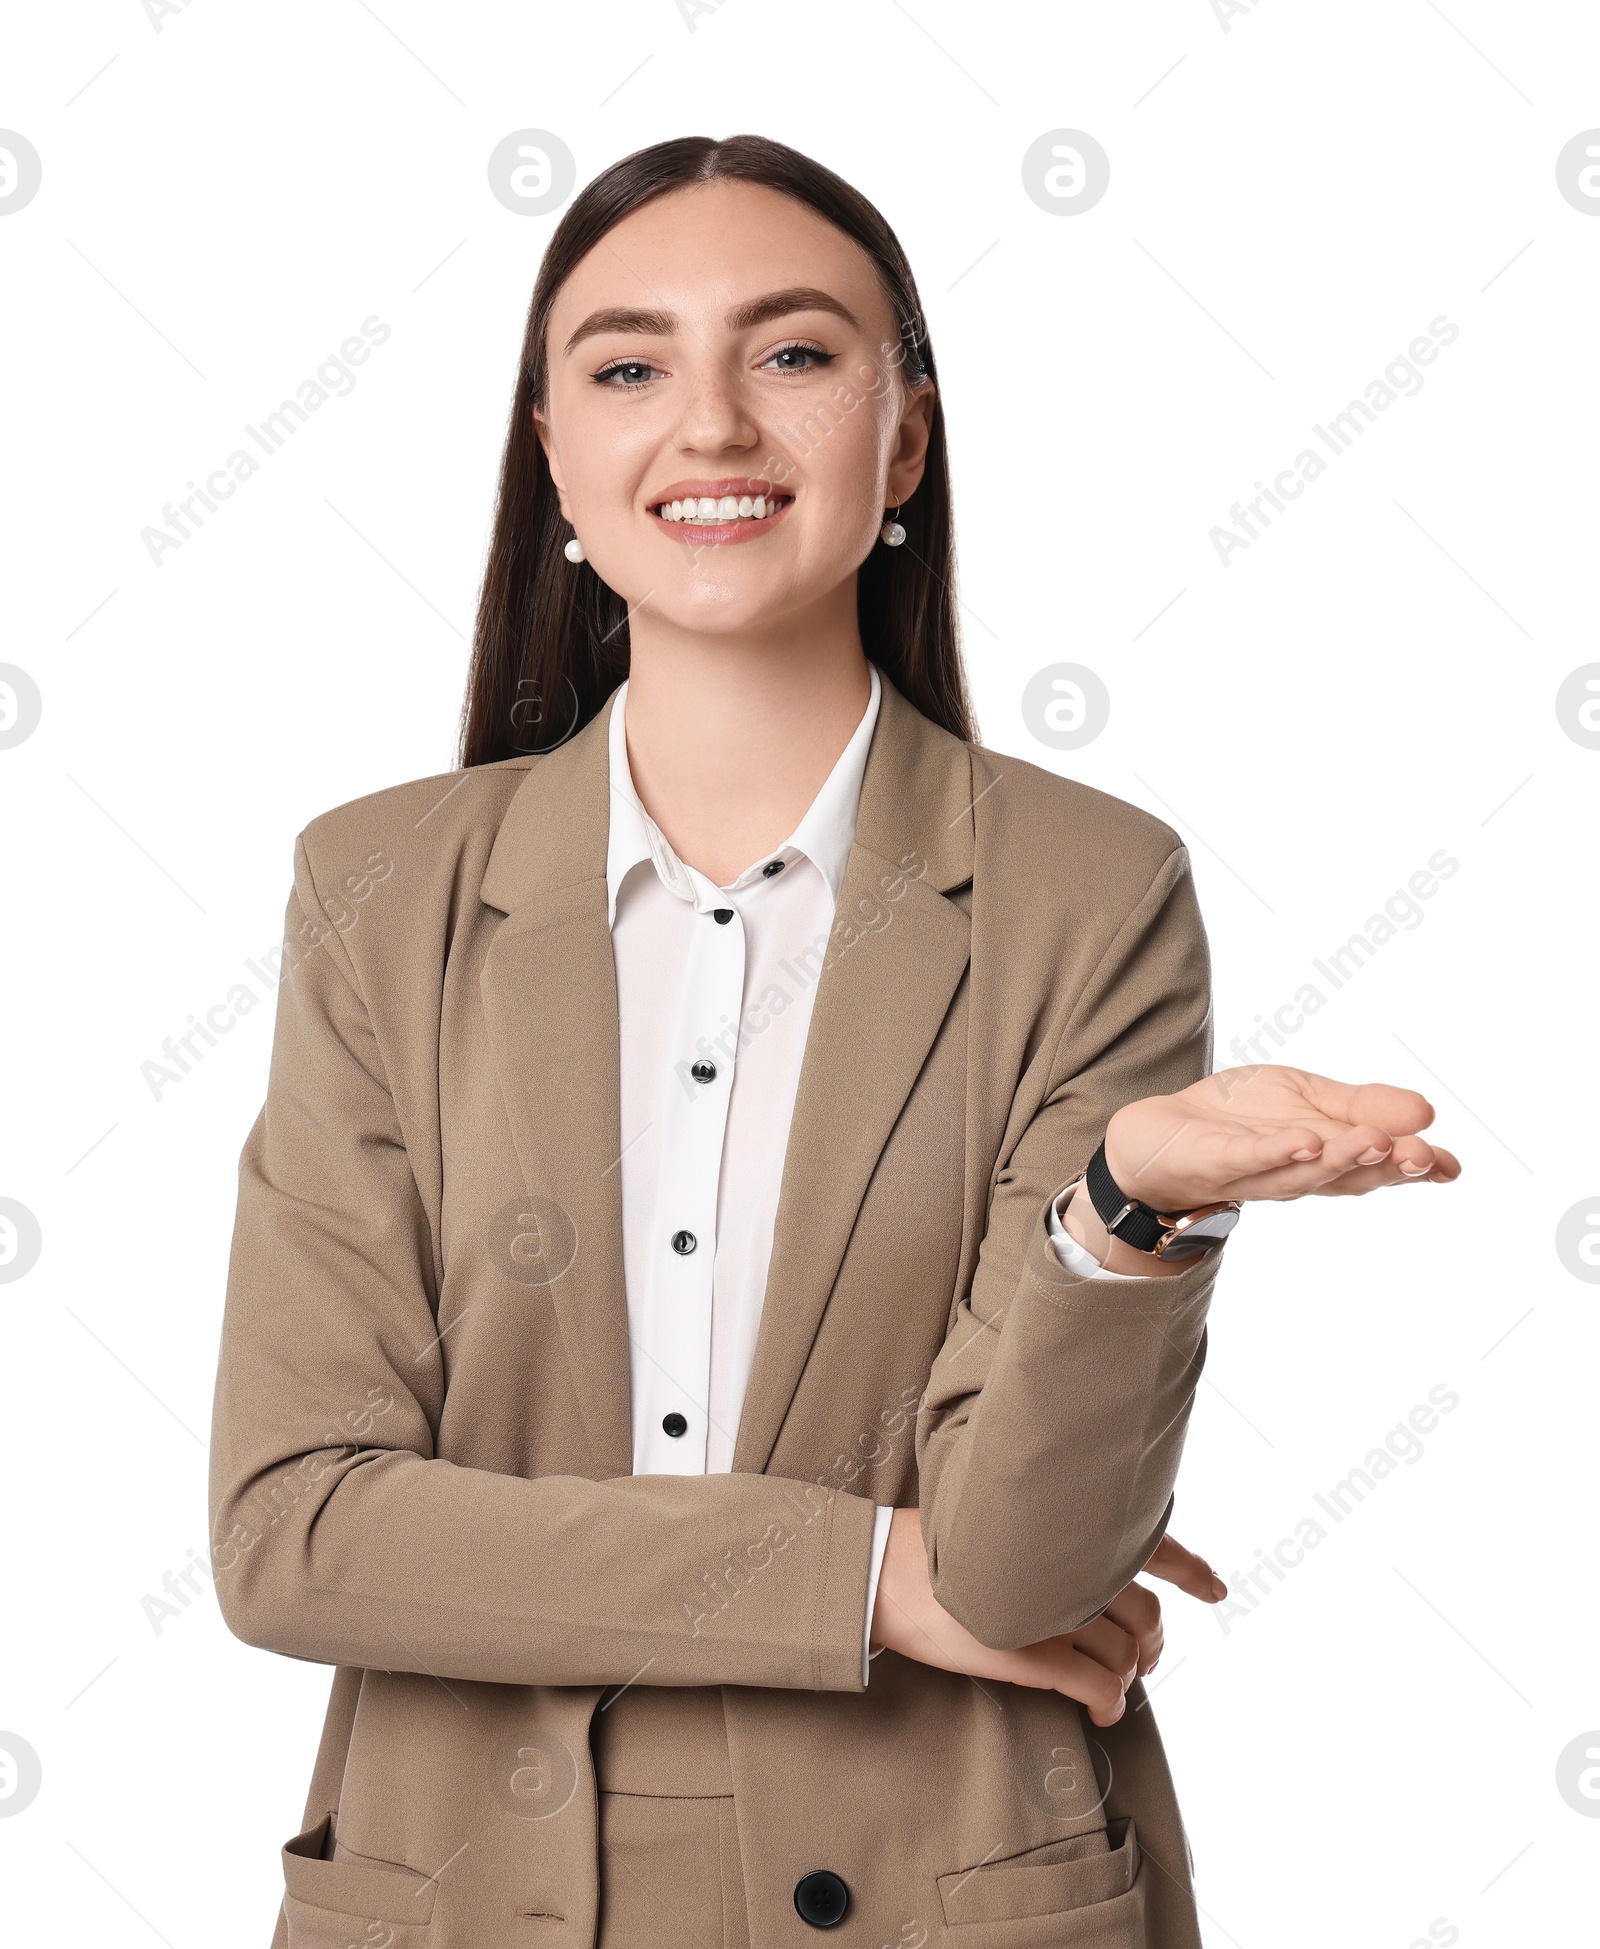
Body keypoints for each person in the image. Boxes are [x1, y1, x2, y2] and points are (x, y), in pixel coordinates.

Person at [209, 134, 1459, 1949]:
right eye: (629, 367)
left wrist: (1127, 1211)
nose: (710, 425)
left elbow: (1025, 1571)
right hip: (460, 1889)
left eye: (792, 355)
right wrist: (868, 1573)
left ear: (907, 440)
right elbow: (294, 1527)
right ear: (552, 450)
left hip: (950, 1884)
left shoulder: (1088, 887)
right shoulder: (379, 889)